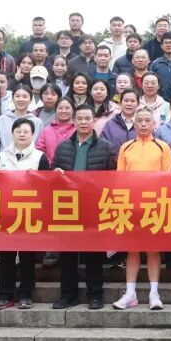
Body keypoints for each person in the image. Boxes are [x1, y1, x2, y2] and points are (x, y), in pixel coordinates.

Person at [52, 104, 116, 310]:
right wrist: (56, 174)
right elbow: (53, 175)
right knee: (67, 255)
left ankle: (95, 295)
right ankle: (68, 295)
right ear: (74, 121)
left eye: (87, 118)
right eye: (79, 118)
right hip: (68, 207)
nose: (83, 122)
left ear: (94, 121)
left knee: (93, 255)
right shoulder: (63, 147)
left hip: (93, 208)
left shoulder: (105, 147)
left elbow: (112, 178)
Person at [112, 107, 171, 310]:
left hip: (154, 206)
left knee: (153, 251)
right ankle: (130, 294)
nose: (144, 124)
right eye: (140, 121)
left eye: (148, 120)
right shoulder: (126, 147)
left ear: (154, 124)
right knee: (132, 250)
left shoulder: (163, 147)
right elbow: (119, 178)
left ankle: (154, 294)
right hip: (131, 206)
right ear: (134, 124)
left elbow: (168, 179)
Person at [0, 117, 51, 310]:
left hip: (29, 212)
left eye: (26, 131)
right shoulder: (3, 156)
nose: (22, 134)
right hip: (7, 212)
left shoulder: (40, 157)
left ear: (33, 134)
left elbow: (46, 186)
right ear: (12, 134)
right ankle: (5, 295)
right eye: (18, 131)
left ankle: (26, 294)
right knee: (6, 256)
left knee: (27, 256)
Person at [0, 85, 42, 160]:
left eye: (25, 96)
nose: (21, 99)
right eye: (17, 96)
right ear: (13, 99)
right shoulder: (2, 120)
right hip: (5, 163)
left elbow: (39, 147)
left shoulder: (37, 122)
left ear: (30, 100)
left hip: (30, 164)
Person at [36, 96, 76, 162]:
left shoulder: (78, 130)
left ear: (73, 110)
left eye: (67, 108)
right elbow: (40, 152)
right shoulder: (46, 131)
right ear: (55, 110)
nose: (63, 111)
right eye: (60, 108)